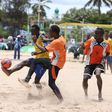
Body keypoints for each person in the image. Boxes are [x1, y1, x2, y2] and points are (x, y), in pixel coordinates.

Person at [19, 25, 66, 102]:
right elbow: (48, 46)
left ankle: (61, 100)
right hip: (56, 61)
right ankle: (27, 80)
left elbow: (44, 49)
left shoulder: (56, 42)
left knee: (51, 83)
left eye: (50, 31)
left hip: (55, 64)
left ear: (54, 33)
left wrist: (35, 43)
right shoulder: (61, 38)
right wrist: (37, 53)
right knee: (35, 61)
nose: (49, 33)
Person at [82, 28, 110, 101]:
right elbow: (84, 48)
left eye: (97, 34)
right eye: (95, 33)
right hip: (89, 62)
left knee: (98, 74)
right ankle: (86, 94)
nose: (95, 35)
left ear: (101, 35)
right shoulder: (90, 41)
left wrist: (104, 57)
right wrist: (82, 46)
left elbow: (108, 53)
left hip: (99, 62)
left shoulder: (106, 43)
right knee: (85, 78)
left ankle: (100, 93)